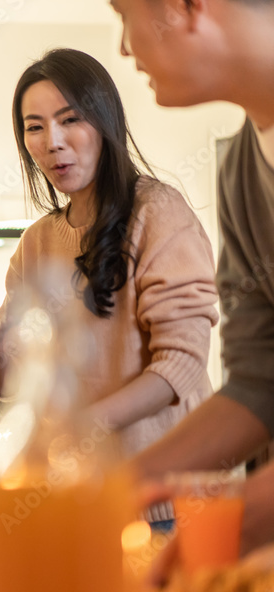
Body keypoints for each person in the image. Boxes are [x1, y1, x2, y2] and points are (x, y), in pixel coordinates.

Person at [0, 48, 219, 457]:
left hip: (164, 489)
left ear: (105, 122)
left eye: (70, 120)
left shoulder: (158, 213)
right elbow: (10, 384)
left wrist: (81, 429)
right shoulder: (36, 243)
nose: (53, 142)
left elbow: (180, 364)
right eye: (34, 127)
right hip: (79, 491)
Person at [109, 0, 274, 553]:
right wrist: (109, 493)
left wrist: (237, 518)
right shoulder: (244, 173)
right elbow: (259, 382)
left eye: (121, 13)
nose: (126, 46)